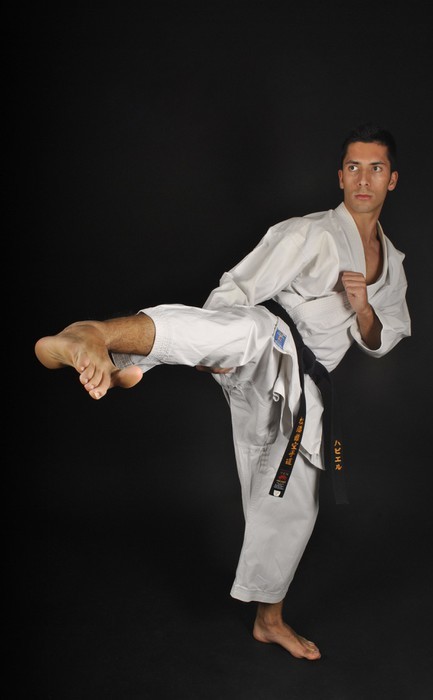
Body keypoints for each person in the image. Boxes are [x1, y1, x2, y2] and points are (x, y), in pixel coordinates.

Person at [34, 123, 411, 661]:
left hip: (303, 389)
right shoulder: (309, 234)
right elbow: (238, 289)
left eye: (375, 168)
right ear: (340, 176)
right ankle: (98, 335)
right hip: (265, 342)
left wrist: (364, 308)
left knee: (292, 506)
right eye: (353, 166)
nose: (363, 178)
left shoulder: (393, 267)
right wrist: (215, 347)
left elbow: (380, 339)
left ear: (392, 179)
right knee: (248, 329)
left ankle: (268, 621)